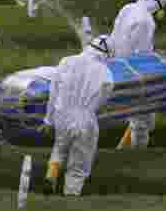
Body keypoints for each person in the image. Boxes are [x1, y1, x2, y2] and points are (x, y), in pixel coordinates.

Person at [42, 35, 115, 196]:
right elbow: (105, 93)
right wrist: (93, 107)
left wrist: (48, 120)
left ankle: (51, 175)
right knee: (80, 160)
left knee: (60, 147)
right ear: (106, 53)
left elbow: (53, 93)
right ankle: (71, 194)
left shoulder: (66, 61)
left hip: (62, 114)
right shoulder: (105, 72)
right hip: (84, 116)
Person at [109, 0, 166, 149]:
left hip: (115, 67)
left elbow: (115, 37)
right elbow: (141, 57)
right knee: (143, 123)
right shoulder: (146, 21)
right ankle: (137, 159)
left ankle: (123, 151)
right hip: (131, 74)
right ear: (160, 5)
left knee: (143, 120)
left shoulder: (128, 8)